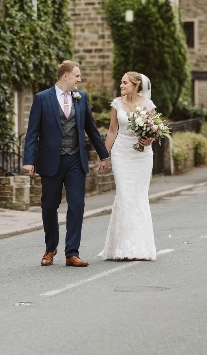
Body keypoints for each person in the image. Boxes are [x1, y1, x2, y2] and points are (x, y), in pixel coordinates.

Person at [23, 60, 109, 267]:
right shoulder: (42, 98)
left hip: (75, 160)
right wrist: (28, 160)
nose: (80, 80)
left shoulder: (81, 98)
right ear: (65, 77)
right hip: (50, 160)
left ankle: (72, 253)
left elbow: (91, 129)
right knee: (49, 206)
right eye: (77, 76)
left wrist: (104, 155)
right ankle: (50, 248)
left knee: (77, 205)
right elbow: (32, 132)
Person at [98, 72, 157, 261]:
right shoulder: (116, 103)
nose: (121, 85)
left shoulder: (148, 105)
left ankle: (140, 247)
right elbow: (112, 130)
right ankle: (122, 246)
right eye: (121, 82)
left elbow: (155, 130)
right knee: (124, 196)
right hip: (122, 153)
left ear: (136, 85)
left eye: (125, 83)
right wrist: (104, 156)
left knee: (139, 197)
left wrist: (149, 139)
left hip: (142, 156)